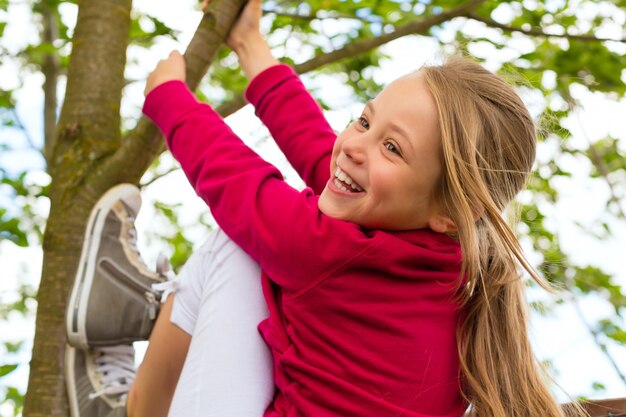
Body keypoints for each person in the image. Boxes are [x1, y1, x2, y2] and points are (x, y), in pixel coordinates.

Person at [63, 0, 580, 416]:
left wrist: (170, 99)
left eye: (393, 147)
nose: (356, 144)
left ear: (449, 209)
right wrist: (250, 46)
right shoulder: (440, 260)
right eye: (364, 120)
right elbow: (329, 161)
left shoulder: (332, 255)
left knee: (242, 243)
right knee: (284, 222)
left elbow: (240, 186)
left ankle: (131, 407)